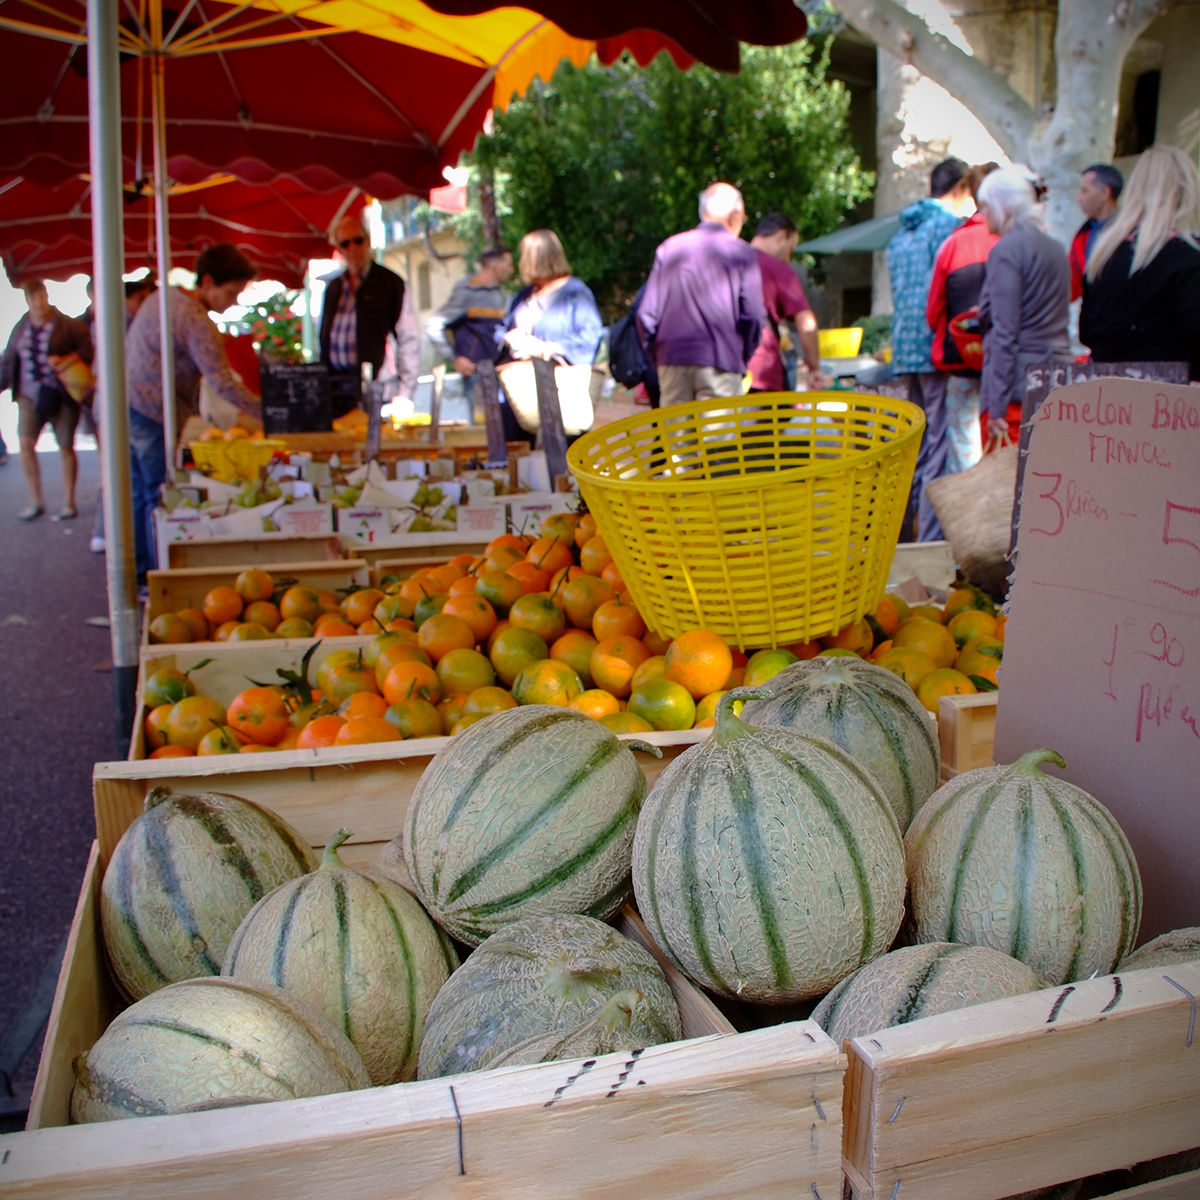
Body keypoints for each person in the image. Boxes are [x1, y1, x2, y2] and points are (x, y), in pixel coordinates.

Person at [125, 243, 262, 583]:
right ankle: (157, 580)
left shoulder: (164, 296)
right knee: (160, 497)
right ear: (208, 281)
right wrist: (266, 414)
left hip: (129, 407)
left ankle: (142, 574)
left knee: (142, 495)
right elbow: (222, 381)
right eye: (230, 293)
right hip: (154, 413)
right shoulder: (193, 316)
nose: (233, 302)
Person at [887, 157, 971, 541]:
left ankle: (906, 537)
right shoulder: (948, 228)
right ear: (961, 189)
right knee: (938, 446)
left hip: (903, 348)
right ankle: (931, 542)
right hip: (935, 348)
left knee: (915, 448)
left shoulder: (900, 234)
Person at [637, 182, 766, 406]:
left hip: (672, 360)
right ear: (735, 216)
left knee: (677, 440)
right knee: (716, 440)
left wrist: (659, 355)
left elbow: (646, 314)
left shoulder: (670, 248)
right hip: (721, 360)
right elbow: (754, 314)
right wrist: (741, 355)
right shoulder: (741, 253)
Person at [1080, 146, 1200, 380]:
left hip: (1104, 400)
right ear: (1189, 191)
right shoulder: (1189, 254)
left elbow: (1087, 332)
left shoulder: (1105, 252)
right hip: (1168, 401)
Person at [976, 165, 1072, 441]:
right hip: (1056, 381)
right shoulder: (1056, 248)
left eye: (985, 206)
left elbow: (1006, 333)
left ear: (1004, 208)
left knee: (1012, 479)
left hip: (1017, 390)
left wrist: (996, 407)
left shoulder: (1006, 250)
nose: (982, 214)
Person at [925, 162, 1000, 475]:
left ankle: (970, 525)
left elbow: (933, 313)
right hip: (1010, 368)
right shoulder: (1022, 242)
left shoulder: (953, 243)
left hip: (962, 364)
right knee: (1006, 454)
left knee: (964, 460)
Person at [496, 229, 603, 443]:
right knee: (521, 457)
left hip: (562, 394)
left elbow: (590, 336)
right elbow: (500, 329)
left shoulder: (575, 293)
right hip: (523, 396)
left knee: (562, 458)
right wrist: (509, 337)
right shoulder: (524, 296)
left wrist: (546, 349)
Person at [0, 279, 94, 521]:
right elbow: (9, 359)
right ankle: (35, 500)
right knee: (25, 444)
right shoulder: (20, 327)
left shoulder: (67, 325)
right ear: (28, 301)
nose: (38, 303)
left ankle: (68, 500)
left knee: (65, 445)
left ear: (47, 297)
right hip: (29, 395)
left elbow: (88, 348)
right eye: (33, 298)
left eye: (41, 297)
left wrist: (67, 359)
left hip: (61, 393)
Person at [318, 214, 418, 418]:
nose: (353, 247)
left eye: (358, 240)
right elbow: (325, 340)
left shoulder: (390, 283)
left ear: (368, 241)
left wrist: (405, 392)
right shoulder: (334, 288)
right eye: (345, 244)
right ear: (339, 251)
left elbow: (409, 338)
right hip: (338, 389)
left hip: (378, 389)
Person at [84, 275, 157, 554]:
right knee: (125, 477)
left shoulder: (106, 321)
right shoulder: (121, 321)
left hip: (115, 407)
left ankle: (110, 535)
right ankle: (109, 534)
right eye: (138, 299)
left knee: (124, 477)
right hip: (123, 407)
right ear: (125, 299)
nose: (142, 306)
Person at [747, 212, 829, 392]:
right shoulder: (778, 269)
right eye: (790, 250)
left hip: (721, 371)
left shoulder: (725, 261)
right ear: (781, 236)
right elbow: (805, 321)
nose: (788, 259)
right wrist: (814, 368)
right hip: (761, 371)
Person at [426, 246, 514, 377]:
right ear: (496, 266)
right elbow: (433, 326)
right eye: (509, 265)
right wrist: (455, 358)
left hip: (499, 370)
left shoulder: (501, 294)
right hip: (476, 374)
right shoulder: (469, 291)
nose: (511, 270)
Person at [1070, 164, 1123, 302]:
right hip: (1091, 318)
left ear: (1105, 193)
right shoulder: (1083, 235)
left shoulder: (1130, 234)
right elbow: (1070, 286)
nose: (1079, 199)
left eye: (1084, 191)